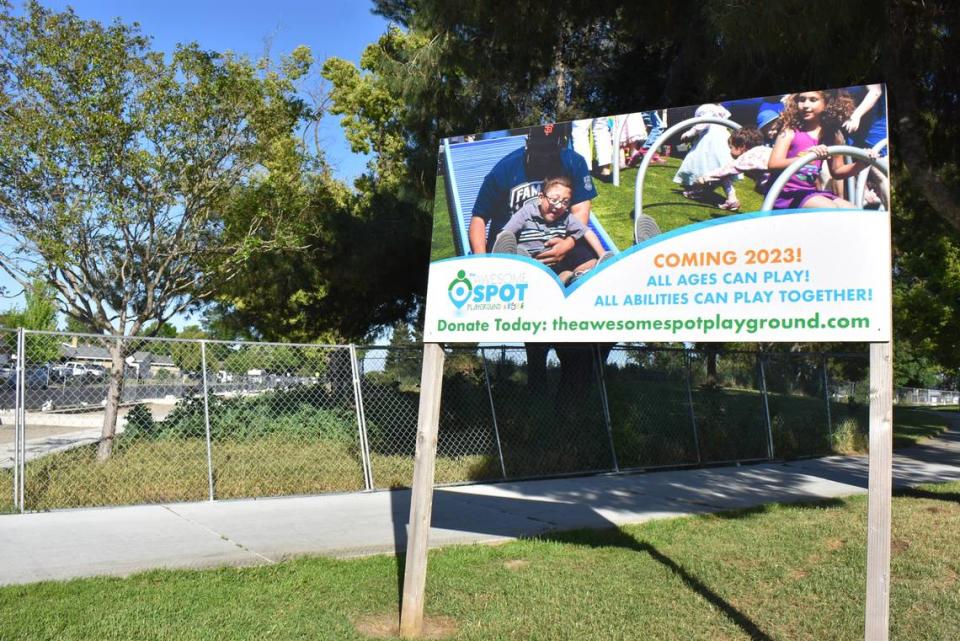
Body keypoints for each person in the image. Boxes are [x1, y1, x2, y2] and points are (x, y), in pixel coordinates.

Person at [469, 123, 598, 270]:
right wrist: (481, 262)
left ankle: (571, 278)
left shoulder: (574, 163)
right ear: (527, 143)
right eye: (538, 148)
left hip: (557, 239)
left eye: (550, 149)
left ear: (561, 145)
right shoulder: (504, 169)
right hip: (516, 248)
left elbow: (581, 209)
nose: (544, 154)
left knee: (589, 264)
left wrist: (568, 244)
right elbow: (479, 218)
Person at [767, 90, 877, 210]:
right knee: (830, 209)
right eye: (802, 100)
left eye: (813, 100)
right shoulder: (789, 131)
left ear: (827, 104)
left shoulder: (831, 136)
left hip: (808, 192)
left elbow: (837, 171)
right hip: (785, 193)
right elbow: (773, 164)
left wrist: (863, 163)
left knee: (854, 211)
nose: (805, 105)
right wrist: (806, 158)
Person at [490, 175, 611, 283]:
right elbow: (507, 232)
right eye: (554, 200)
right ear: (541, 197)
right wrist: (504, 242)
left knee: (583, 253)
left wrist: (602, 254)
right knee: (519, 252)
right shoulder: (527, 212)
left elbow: (587, 231)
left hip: (557, 263)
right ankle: (509, 263)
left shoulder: (565, 216)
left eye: (565, 202)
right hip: (532, 260)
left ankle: (577, 276)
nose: (558, 206)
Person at [674, 103, 738, 209]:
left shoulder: (706, 108)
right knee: (720, 169)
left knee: (706, 166)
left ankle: (730, 197)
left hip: (710, 141)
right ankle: (703, 191)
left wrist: (688, 134)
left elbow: (702, 124)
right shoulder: (719, 109)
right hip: (724, 139)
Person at [692, 127, 772, 209]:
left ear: (742, 147)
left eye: (731, 147)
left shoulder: (750, 156)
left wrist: (704, 178)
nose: (730, 151)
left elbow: (726, 170)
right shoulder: (764, 150)